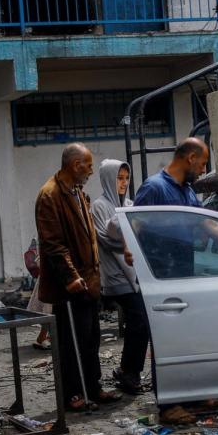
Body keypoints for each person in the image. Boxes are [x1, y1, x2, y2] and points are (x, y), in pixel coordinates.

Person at [35, 143, 122, 411]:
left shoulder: (76, 192)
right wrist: (71, 277)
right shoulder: (50, 196)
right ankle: (73, 393)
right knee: (70, 343)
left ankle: (92, 387)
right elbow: (54, 245)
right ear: (75, 165)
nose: (91, 171)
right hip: (69, 286)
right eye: (88, 166)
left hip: (89, 281)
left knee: (90, 339)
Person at [132, 138, 218, 278]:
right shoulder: (154, 187)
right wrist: (128, 249)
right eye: (203, 164)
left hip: (183, 275)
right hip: (159, 277)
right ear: (191, 158)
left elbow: (209, 224)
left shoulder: (188, 191)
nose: (204, 171)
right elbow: (135, 223)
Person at [91, 159, 150, 395]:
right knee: (139, 320)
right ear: (108, 179)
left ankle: (128, 371)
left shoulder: (128, 204)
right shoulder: (99, 206)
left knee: (140, 322)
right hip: (114, 274)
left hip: (134, 274)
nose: (124, 183)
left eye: (126, 178)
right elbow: (106, 239)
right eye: (119, 178)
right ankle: (128, 373)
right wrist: (125, 232)